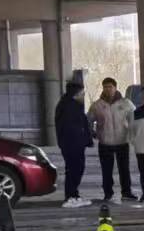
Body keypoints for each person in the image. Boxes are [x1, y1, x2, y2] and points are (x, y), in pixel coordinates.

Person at [89, 77, 136, 204]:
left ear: (115, 87)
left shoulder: (126, 103)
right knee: (106, 170)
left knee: (124, 169)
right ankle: (108, 193)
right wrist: (92, 133)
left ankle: (126, 192)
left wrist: (132, 135)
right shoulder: (97, 105)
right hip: (105, 143)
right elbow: (89, 121)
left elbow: (134, 121)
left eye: (110, 87)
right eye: (105, 87)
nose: (108, 89)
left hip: (122, 142)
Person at [53, 79, 94, 208]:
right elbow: (74, 128)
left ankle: (74, 195)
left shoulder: (67, 104)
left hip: (72, 144)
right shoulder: (70, 107)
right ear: (75, 94)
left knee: (74, 169)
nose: (83, 96)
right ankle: (70, 197)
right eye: (82, 93)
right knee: (74, 170)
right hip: (72, 145)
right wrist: (83, 140)